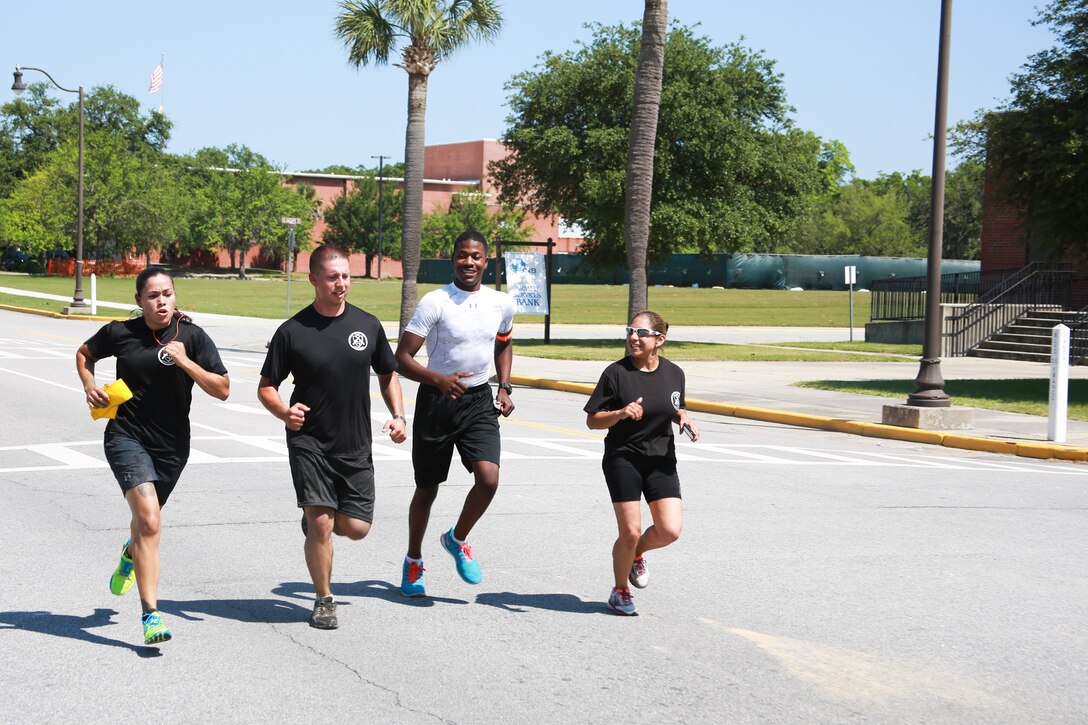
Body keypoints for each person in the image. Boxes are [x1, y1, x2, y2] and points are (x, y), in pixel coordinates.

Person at [76, 267, 230, 645]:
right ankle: (151, 615)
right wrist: (90, 384)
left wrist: (185, 361)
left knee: (145, 526)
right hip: (126, 436)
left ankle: (130, 554)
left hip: (173, 446)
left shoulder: (191, 337)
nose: (161, 301)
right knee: (150, 520)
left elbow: (223, 388)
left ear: (175, 296)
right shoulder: (121, 333)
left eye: (167, 294)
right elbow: (83, 354)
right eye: (152, 295)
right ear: (139, 301)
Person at [258, 245, 406, 630]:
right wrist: (284, 412)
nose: (341, 283)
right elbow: (267, 387)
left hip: (354, 443)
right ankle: (324, 599)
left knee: (356, 529)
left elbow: (388, 374)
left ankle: (316, 523)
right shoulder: (292, 331)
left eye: (345, 276)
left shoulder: (368, 325)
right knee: (322, 522)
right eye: (332, 277)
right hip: (309, 441)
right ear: (313, 279)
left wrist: (399, 416)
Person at [394, 230, 515, 597]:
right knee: (427, 489)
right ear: (453, 260)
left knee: (489, 479)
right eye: (463, 256)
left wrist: (505, 386)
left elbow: (505, 343)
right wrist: (438, 379)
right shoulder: (436, 302)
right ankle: (414, 560)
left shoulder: (501, 303)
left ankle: (457, 538)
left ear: (485, 262)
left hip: (478, 400)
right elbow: (401, 358)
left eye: (476, 256)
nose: (470, 262)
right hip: (436, 402)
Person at [584, 311, 699, 616]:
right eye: (630, 331)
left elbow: (675, 405)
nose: (633, 338)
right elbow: (592, 421)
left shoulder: (675, 374)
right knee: (630, 531)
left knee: (670, 530)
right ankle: (620, 590)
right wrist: (620, 413)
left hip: (661, 459)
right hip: (624, 458)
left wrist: (683, 418)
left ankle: (636, 555)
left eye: (641, 333)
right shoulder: (616, 374)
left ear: (659, 340)